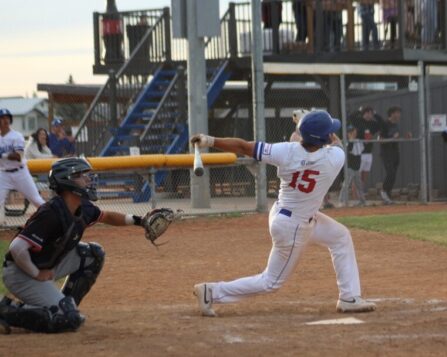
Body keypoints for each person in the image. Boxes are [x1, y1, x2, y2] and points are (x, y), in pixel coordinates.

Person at [191, 110, 376, 317]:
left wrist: (209, 140)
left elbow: (244, 146)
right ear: (322, 138)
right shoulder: (334, 157)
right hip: (294, 227)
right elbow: (333, 141)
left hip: (285, 214)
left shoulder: (286, 151)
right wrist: (302, 122)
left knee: (340, 236)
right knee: (271, 282)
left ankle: (349, 297)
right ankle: (211, 292)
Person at [0, 157, 174, 333]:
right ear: (68, 181)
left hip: (45, 263)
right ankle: (6, 311)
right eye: (83, 176)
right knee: (66, 320)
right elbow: (17, 247)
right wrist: (36, 273)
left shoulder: (82, 207)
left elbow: (107, 216)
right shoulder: (51, 213)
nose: (89, 180)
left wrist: (140, 221)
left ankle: (67, 306)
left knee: (92, 254)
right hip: (21, 272)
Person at [0, 109, 45, 226]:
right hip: (3, 174)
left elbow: (19, 156)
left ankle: (55, 221)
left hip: (20, 173)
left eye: (7, 118)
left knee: (37, 200)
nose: (5, 120)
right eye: (2, 118)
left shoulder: (16, 136)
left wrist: (3, 155)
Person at [290, 109, 334, 208]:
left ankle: (325, 201)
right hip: (303, 166)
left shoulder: (306, 134)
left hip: (312, 163)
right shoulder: (296, 135)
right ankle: (320, 202)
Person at [379, 106, 407, 204]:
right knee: (390, 172)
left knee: (394, 174)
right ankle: (383, 191)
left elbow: (397, 137)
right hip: (386, 152)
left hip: (395, 152)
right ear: (391, 114)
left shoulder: (396, 125)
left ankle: (388, 195)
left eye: (399, 113)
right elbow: (380, 139)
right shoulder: (385, 124)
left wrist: (405, 137)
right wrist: (392, 137)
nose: (399, 115)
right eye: (397, 113)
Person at [350, 106, 380, 194]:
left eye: (371, 113)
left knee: (365, 174)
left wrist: (375, 114)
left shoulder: (373, 124)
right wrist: (359, 110)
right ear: (363, 114)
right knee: (357, 174)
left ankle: (360, 194)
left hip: (368, 151)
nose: (369, 115)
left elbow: (381, 124)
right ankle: (354, 194)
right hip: (359, 152)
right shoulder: (358, 121)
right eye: (367, 113)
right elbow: (351, 117)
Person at [339, 125, 366, 206]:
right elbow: (350, 150)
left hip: (357, 166)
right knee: (346, 185)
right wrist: (351, 140)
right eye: (351, 132)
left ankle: (362, 201)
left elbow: (360, 151)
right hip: (349, 167)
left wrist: (353, 140)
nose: (353, 134)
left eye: (354, 132)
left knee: (359, 185)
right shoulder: (347, 141)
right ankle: (342, 201)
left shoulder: (358, 141)